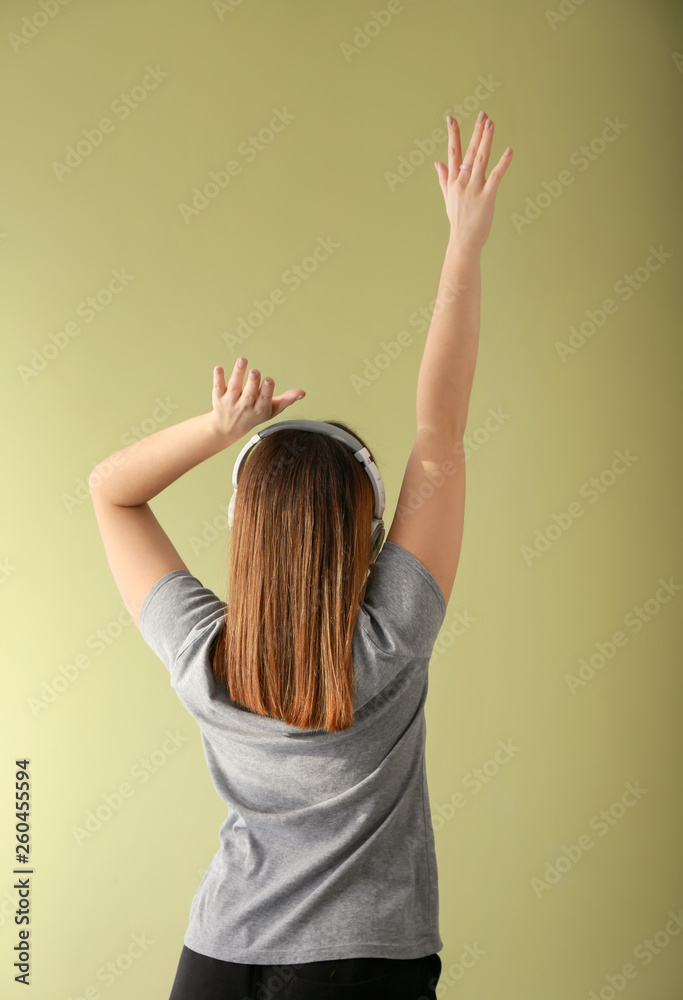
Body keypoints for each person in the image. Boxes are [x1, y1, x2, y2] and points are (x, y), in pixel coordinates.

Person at [88, 110, 512, 1000]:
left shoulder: (207, 656)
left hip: (218, 960)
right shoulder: (391, 637)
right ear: (367, 531)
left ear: (245, 531)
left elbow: (110, 490)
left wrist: (217, 427)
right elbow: (440, 431)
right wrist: (462, 243)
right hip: (366, 968)